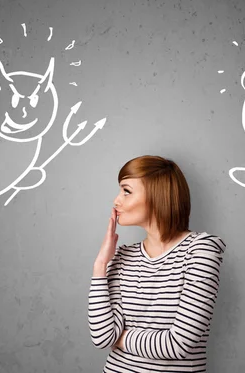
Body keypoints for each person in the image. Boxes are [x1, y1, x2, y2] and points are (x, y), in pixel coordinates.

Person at [88, 155, 226, 372]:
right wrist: (99, 266)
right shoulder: (122, 256)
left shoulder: (200, 250)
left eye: (126, 191)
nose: (116, 200)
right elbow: (102, 337)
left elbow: (178, 344)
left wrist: (121, 338)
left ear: (157, 195)